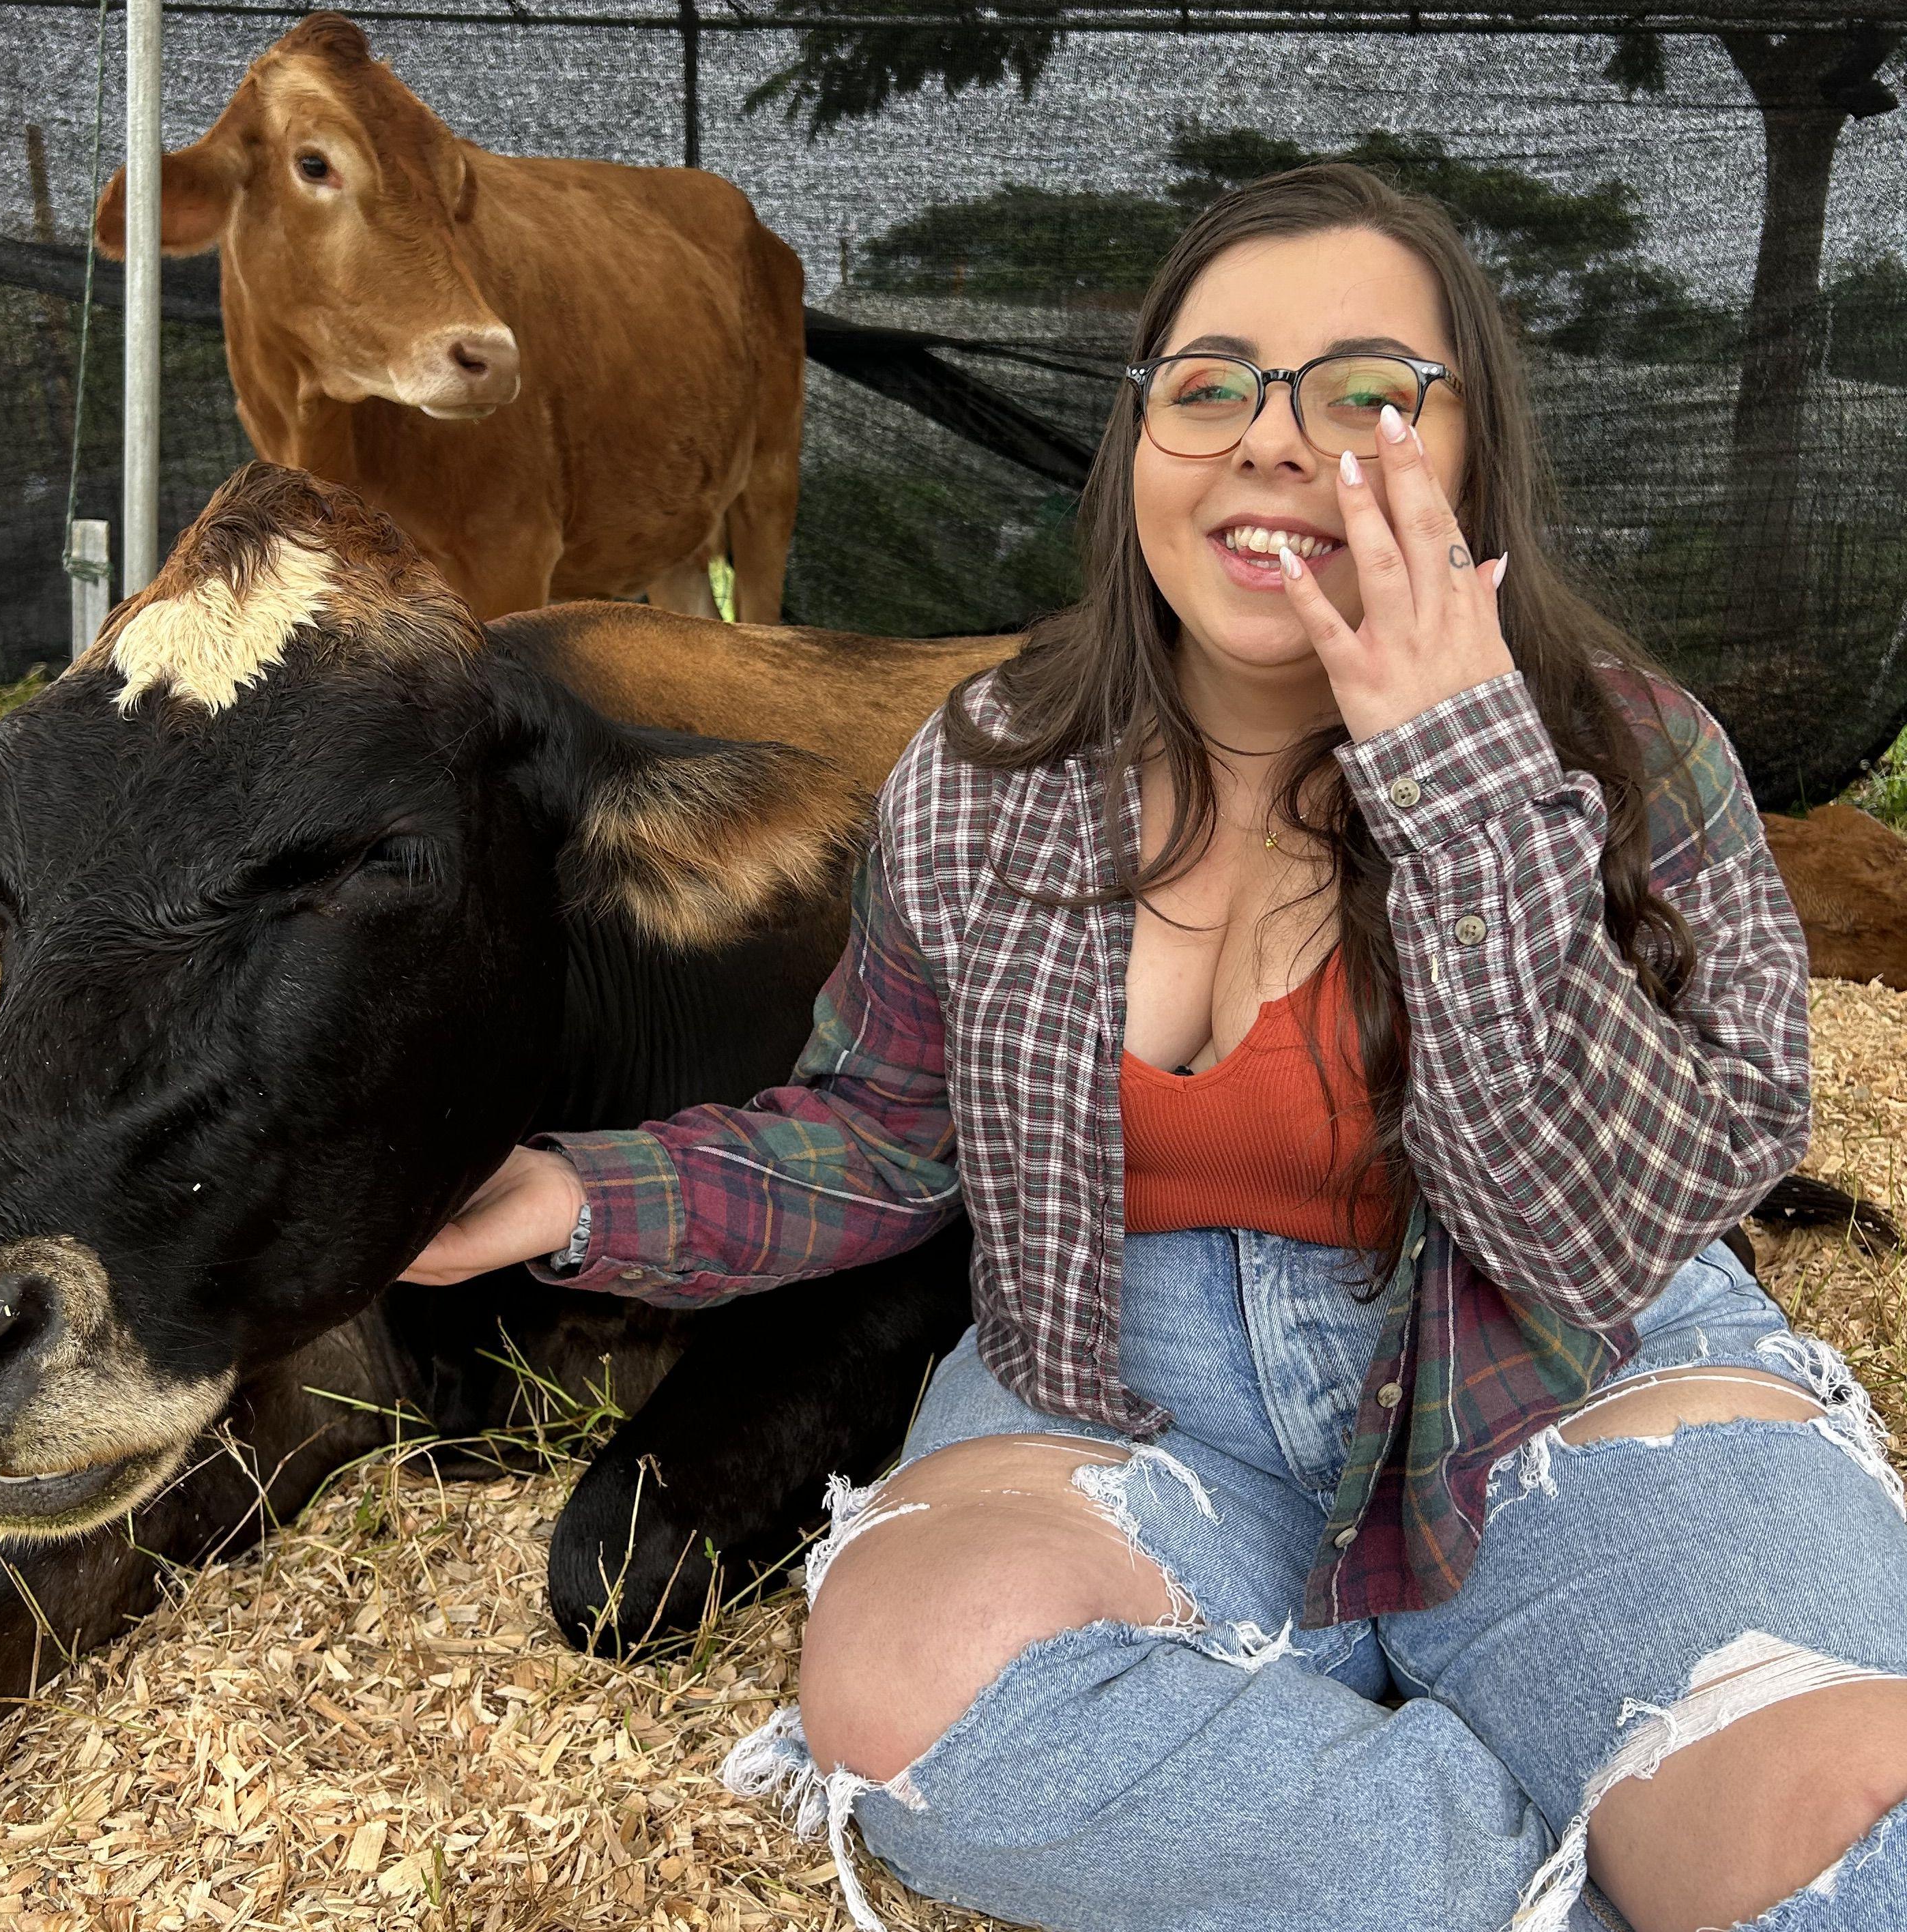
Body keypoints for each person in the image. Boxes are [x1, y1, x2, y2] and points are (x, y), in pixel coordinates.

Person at [398, 164, 1907, 1932]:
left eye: (1363, 391)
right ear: (1139, 452)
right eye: (1211, 387)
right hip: (1124, 1366)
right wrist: (567, 1193)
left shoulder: (1635, 753)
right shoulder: (990, 772)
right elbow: (886, 1136)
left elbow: (1622, 1215)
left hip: (1565, 1369)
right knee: (916, 1693)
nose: (1272, 439)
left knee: (1834, 1824)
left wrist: (1465, 778)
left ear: (1474, 450)